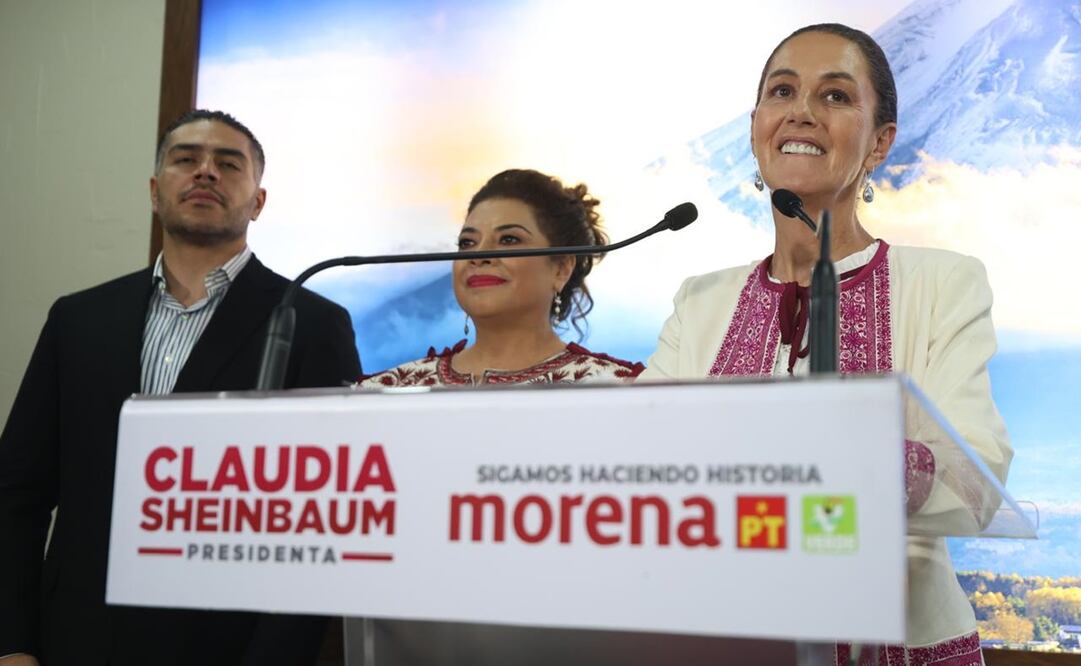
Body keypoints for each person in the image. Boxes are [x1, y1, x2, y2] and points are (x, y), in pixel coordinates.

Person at [639, 24, 1011, 663]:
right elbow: (637, 462)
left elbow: (975, 470)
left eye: (836, 96)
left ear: (880, 142)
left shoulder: (942, 283)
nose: (802, 111)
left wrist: (822, 455)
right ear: (756, 126)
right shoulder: (699, 301)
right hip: (724, 641)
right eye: (782, 91)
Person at [0, 110, 361, 666]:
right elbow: (16, 496)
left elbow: (323, 524)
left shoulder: (312, 323)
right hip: (74, 636)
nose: (206, 172)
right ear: (154, 190)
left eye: (228, 163)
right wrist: (14, 645)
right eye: (186, 159)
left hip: (226, 643)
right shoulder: (78, 319)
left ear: (258, 202)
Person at [360, 169, 643, 387]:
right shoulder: (385, 392)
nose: (479, 255)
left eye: (508, 239)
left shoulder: (621, 390)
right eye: (467, 243)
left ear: (561, 269)